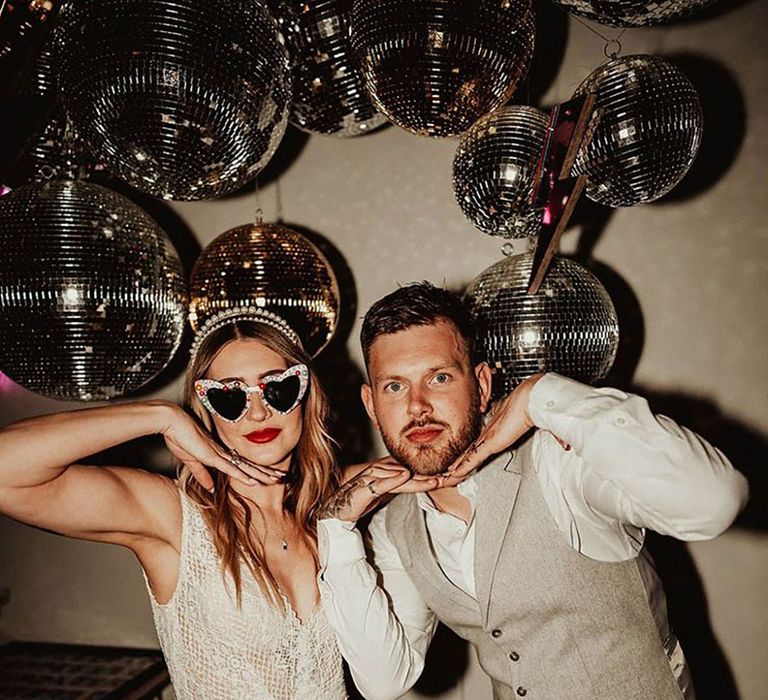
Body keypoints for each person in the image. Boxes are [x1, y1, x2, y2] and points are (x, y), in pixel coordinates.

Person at [316, 282, 748, 700]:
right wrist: (337, 526)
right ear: (372, 405)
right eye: (395, 386)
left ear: (482, 386)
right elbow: (384, 680)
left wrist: (542, 394)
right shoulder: (395, 523)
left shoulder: (556, 459)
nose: (417, 406)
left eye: (440, 378)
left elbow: (714, 503)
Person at [0, 307, 352, 699]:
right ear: (206, 411)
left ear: (305, 394)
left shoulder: (334, 506)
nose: (257, 411)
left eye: (278, 388)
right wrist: (160, 415)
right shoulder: (174, 517)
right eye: (230, 396)